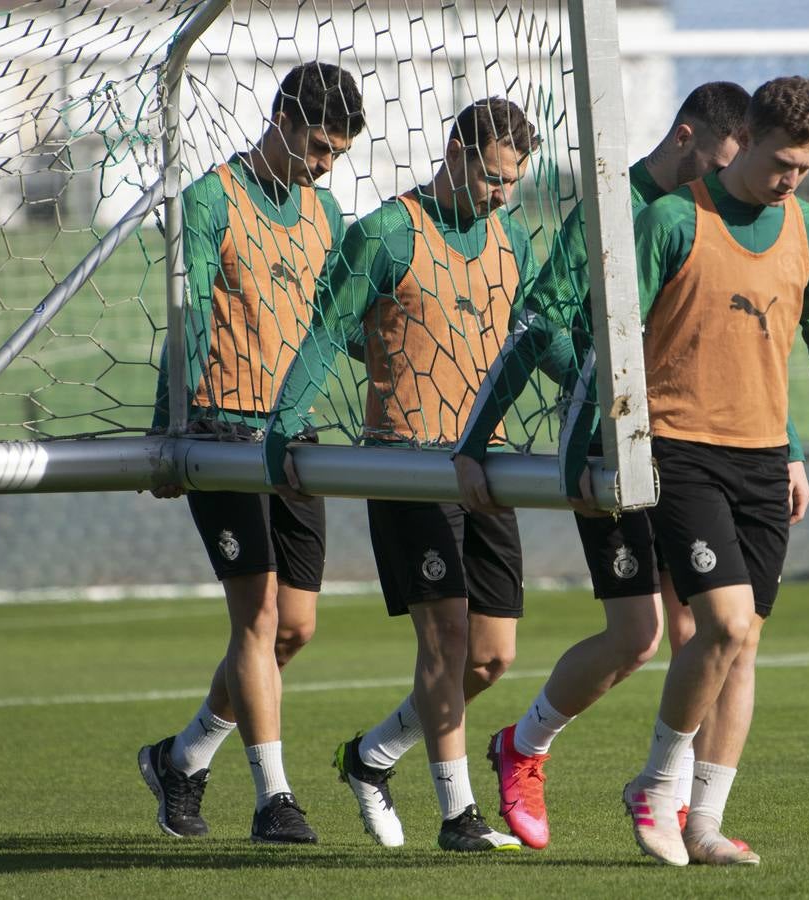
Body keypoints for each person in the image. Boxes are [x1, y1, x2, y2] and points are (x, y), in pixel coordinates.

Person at [450, 82, 809, 852]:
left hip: (698, 456)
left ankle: (679, 806)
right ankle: (525, 746)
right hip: (611, 451)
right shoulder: (615, 215)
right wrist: (598, 392)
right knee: (638, 635)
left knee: (711, 632)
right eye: (723, 158)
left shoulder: (726, 219)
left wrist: (794, 449)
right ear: (688, 139)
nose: (733, 176)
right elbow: (537, 324)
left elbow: (749, 348)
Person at [263, 97, 545, 852]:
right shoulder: (387, 233)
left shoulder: (510, 236)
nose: (501, 196)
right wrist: (285, 424)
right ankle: (459, 817)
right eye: (492, 178)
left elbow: (540, 335)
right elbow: (325, 331)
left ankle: (372, 756)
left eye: (513, 183)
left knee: (492, 657)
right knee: (446, 644)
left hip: (487, 465)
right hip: (408, 464)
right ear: (454, 152)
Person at [618, 76, 809, 866]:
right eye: (781, 163)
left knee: (745, 644)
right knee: (720, 624)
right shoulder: (671, 218)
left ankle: (704, 824)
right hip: (679, 447)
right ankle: (657, 789)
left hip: (765, 457)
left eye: (806, 167)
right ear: (749, 140)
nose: (791, 180)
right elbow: (616, 337)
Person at [137, 62, 364, 844]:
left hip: (292, 438)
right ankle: (274, 799)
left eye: (337, 153)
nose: (326, 164)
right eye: (320, 145)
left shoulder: (326, 213)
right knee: (259, 617)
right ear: (282, 119)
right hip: (222, 435)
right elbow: (189, 313)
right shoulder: (210, 199)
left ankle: (184, 757)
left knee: (295, 627)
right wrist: (168, 428)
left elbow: (346, 322)